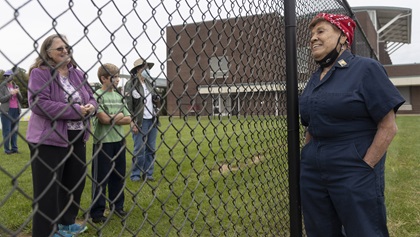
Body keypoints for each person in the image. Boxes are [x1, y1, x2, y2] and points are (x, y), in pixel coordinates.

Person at [299, 13, 405, 237]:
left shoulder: (366, 69)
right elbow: (311, 126)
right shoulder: (313, 79)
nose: (313, 38)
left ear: (343, 37)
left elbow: (388, 126)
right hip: (313, 171)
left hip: (353, 167)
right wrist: (308, 156)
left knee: (364, 230)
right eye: (311, 34)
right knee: (319, 230)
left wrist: (365, 166)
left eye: (321, 31)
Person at [27, 34, 97, 237]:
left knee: (75, 181)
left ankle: (66, 223)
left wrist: (91, 107)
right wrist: (76, 110)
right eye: (59, 49)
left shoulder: (78, 74)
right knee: (48, 189)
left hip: (77, 136)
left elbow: (92, 97)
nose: (65, 51)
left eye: (67, 47)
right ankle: (45, 232)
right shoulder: (40, 73)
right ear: (47, 52)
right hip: (48, 139)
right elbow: (39, 103)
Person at [89, 63, 131, 224]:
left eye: (118, 76)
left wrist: (116, 116)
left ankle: (117, 206)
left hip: (119, 141)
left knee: (118, 176)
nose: (118, 80)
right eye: (114, 77)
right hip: (103, 143)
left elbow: (128, 118)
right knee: (101, 178)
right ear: (104, 78)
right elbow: (104, 120)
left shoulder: (119, 96)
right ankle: (97, 212)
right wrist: (118, 116)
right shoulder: (97, 96)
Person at [125, 57, 162, 182]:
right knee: (139, 149)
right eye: (143, 68)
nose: (146, 70)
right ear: (137, 70)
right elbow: (128, 105)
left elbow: (156, 98)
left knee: (151, 148)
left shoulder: (149, 83)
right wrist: (132, 122)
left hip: (152, 119)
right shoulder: (130, 84)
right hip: (139, 121)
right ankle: (135, 174)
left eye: (147, 68)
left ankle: (148, 173)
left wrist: (157, 97)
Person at [0, 69, 23, 155]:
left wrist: (17, 93)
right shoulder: (2, 87)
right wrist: (11, 94)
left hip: (16, 110)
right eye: (5, 76)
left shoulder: (16, 86)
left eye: (8, 75)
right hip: (6, 111)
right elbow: (1, 99)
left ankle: (14, 148)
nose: (7, 77)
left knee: (15, 131)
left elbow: (21, 99)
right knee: (7, 131)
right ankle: (7, 150)